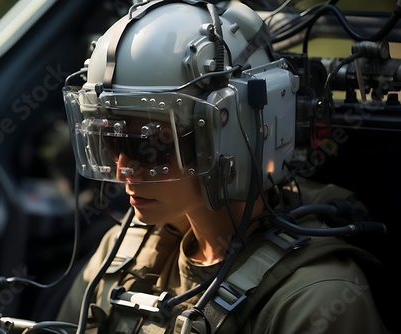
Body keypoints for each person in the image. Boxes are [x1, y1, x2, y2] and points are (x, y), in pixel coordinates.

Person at [57, 1, 389, 333]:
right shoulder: (120, 254)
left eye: (148, 146)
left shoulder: (313, 300)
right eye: (112, 141)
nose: (122, 171)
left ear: (229, 136)